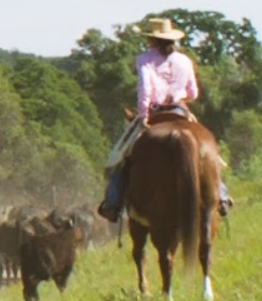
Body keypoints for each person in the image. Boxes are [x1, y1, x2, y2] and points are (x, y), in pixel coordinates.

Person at [96, 18, 233, 221]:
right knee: (208, 155)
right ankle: (221, 195)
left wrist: (143, 115)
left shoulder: (144, 59)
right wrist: (178, 98)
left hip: (153, 112)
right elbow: (193, 92)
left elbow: (146, 89)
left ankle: (113, 204)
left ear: (151, 39)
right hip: (180, 111)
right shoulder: (185, 60)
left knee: (123, 157)